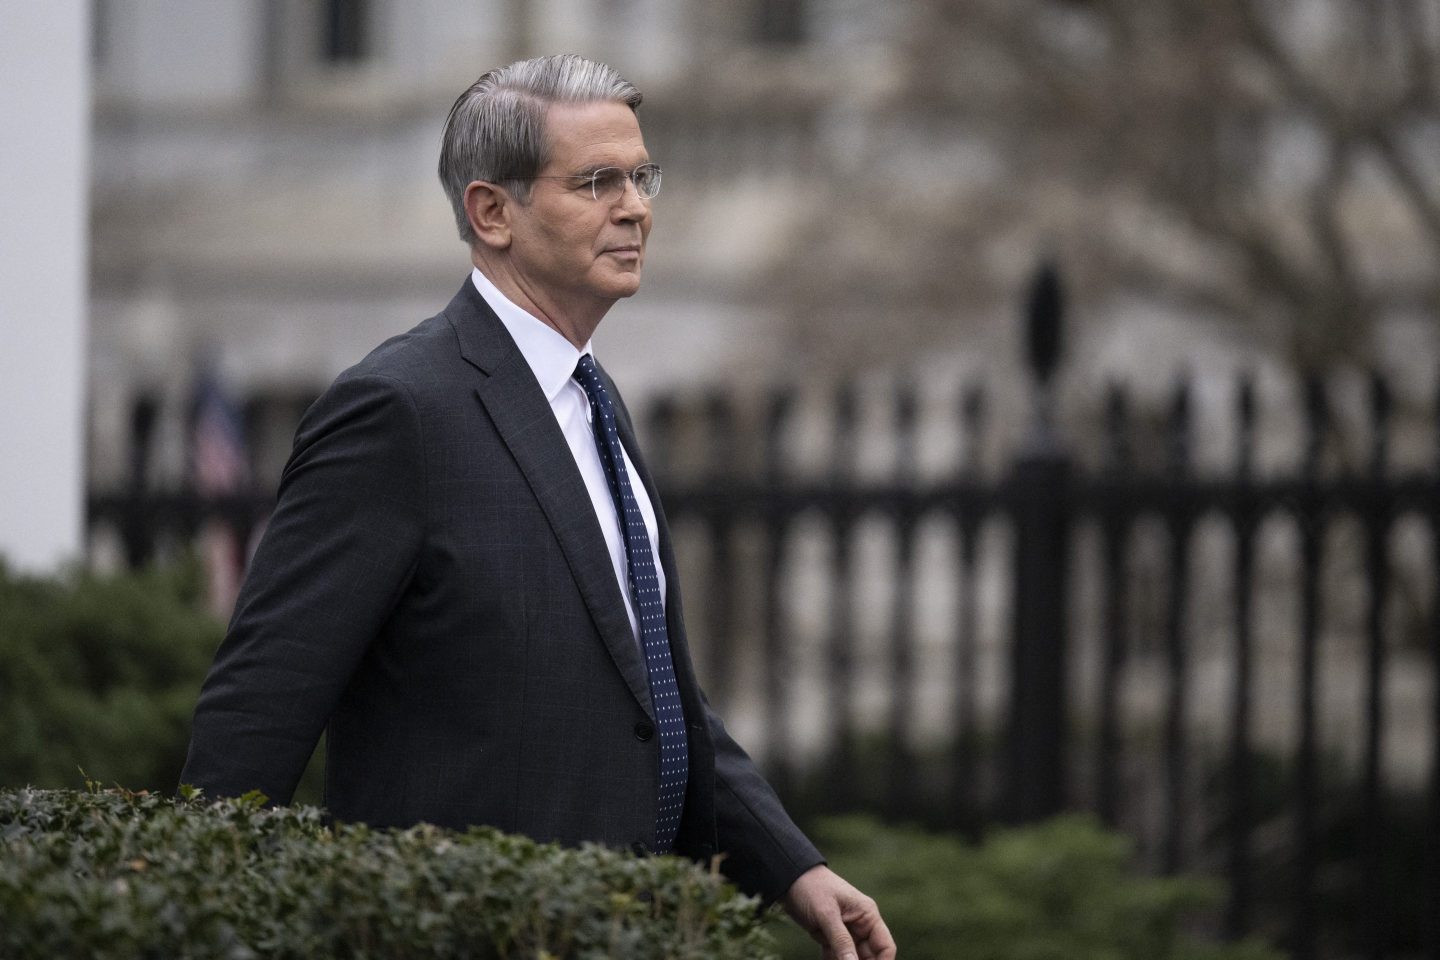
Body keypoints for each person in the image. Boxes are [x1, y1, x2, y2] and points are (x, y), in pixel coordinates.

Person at [181, 55, 895, 959]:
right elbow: (261, 702)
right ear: (492, 213)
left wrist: (791, 866)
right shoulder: (398, 411)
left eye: (642, 177)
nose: (635, 206)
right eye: (597, 181)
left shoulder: (596, 401)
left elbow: (651, 692)